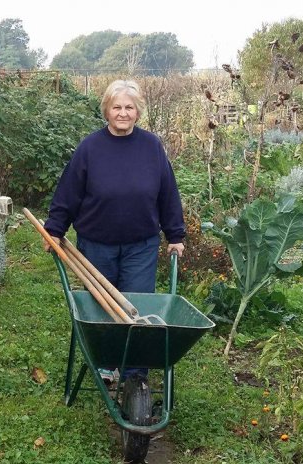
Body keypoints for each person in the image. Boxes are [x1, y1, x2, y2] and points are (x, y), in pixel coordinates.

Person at [42, 79, 186, 384]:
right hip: (97, 244)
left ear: (138, 112)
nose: (123, 113)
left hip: (141, 245)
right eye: (117, 107)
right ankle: (107, 365)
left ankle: (135, 373)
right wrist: (54, 230)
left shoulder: (151, 147)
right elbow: (68, 193)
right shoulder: (90, 148)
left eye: (129, 107)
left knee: (135, 307)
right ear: (107, 110)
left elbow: (167, 193)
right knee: (102, 308)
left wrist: (175, 236)